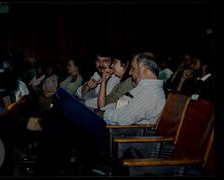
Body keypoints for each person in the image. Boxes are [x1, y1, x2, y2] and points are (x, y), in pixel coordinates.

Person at [36, 52, 166, 175]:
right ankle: (47, 165)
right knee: (61, 120)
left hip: (115, 135)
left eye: (133, 68)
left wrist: (102, 113)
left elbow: (123, 118)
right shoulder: (143, 89)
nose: (131, 72)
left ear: (145, 69)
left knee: (66, 105)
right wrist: (102, 111)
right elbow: (117, 106)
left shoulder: (150, 93)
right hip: (110, 128)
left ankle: (44, 157)